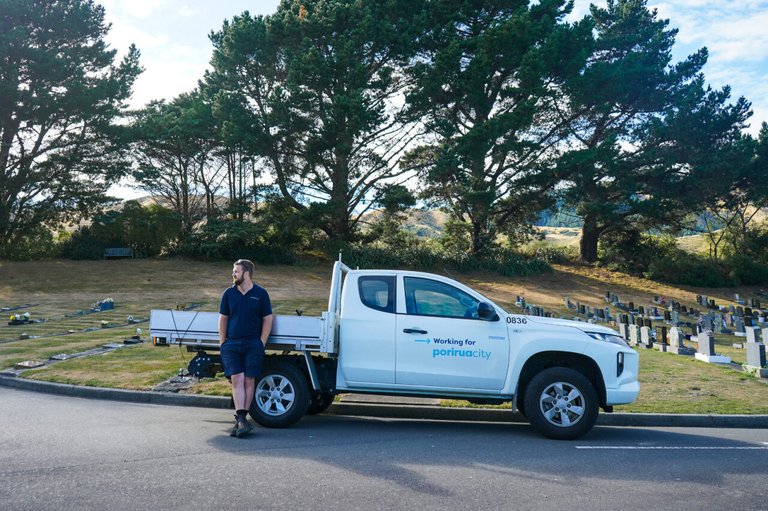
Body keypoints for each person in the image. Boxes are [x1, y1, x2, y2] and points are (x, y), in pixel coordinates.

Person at [218, 259, 273, 438]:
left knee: (249, 380)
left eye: (236, 271)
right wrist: (223, 342)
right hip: (232, 344)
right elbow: (223, 318)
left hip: (253, 344)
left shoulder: (261, 293)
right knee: (237, 378)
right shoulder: (228, 294)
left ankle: (242, 419)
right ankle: (241, 419)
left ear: (246, 273)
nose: (233, 274)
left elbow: (268, 318)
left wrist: (261, 342)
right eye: (233, 271)